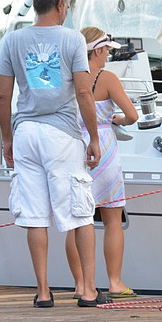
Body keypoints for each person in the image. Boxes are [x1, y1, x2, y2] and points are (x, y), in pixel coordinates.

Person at [0, 0, 108, 309]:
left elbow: (4, 95)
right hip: (61, 134)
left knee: (34, 215)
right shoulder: (72, 39)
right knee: (80, 212)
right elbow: (84, 92)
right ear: (60, 5)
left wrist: (7, 138)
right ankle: (87, 290)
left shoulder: (12, 40)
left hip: (26, 133)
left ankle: (43, 292)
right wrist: (94, 137)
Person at [64, 26, 139, 299]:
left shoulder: (69, 77)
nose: (108, 55)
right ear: (97, 50)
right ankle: (115, 282)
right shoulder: (106, 78)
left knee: (76, 221)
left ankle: (82, 284)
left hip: (75, 149)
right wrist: (116, 119)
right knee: (112, 220)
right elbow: (132, 115)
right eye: (107, 50)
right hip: (104, 149)